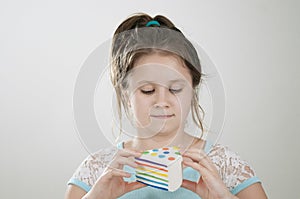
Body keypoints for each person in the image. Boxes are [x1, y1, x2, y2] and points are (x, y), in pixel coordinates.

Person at [64, 13, 268, 199]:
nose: (162, 102)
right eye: (148, 90)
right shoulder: (98, 169)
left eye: (176, 89)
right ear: (126, 94)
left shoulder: (225, 165)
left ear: (192, 91)